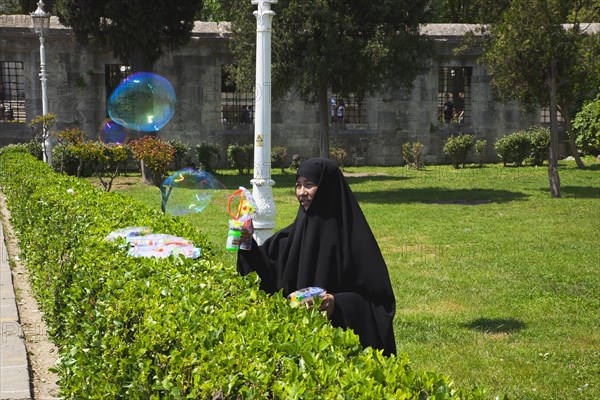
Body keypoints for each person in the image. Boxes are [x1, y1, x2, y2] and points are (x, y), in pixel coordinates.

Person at [237, 157, 397, 356]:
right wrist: (247, 244)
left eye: (309, 185)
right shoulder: (290, 237)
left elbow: (379, 304)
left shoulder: (354, 241)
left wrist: (336, 303)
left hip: (337, 351)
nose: (302, 193)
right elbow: (268, 274)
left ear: (327, 188)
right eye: (298, 186)